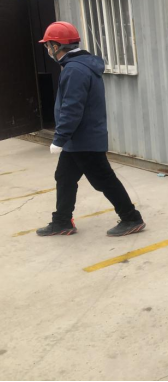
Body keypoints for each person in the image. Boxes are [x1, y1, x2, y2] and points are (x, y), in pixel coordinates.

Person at [36, 22, 145, 237]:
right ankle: (62, 221)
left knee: (103, 179)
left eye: (48, 45)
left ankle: (131, 218)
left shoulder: (75, 70)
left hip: (84, 139)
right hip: (78, 139)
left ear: (57, 46)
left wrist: (59, 138)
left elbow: (72, 108)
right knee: (64, 176)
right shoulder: (78, 66)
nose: (47, 50)